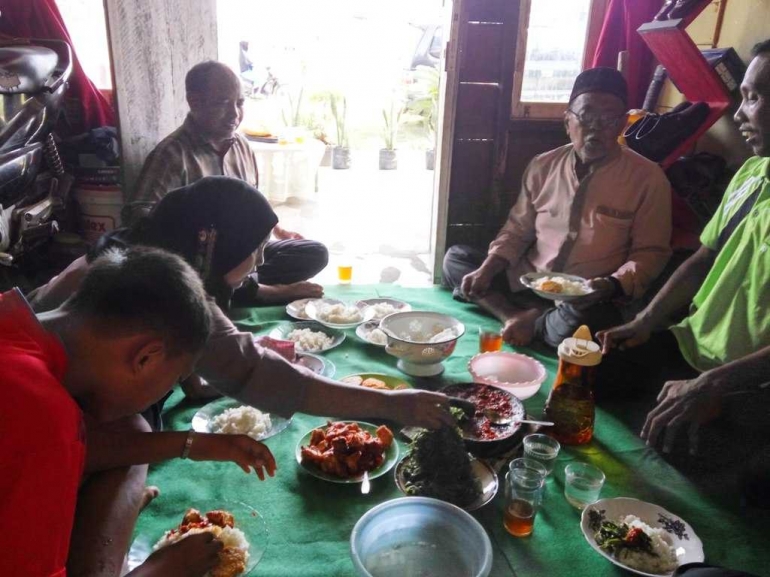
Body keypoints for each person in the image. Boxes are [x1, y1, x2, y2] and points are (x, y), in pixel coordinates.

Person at [31, 176, 455, 433]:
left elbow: (215, 358)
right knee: (135, 441)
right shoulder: (161, 290)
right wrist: (392, 404)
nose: (261, 262)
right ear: (211, 243)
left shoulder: (143, 248)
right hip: (45, 416)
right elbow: (251, 370)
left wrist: (198, 376)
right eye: (255, 249)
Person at [0, 246, 276, 577]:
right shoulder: (42, 413)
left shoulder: (13, 321)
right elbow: (40, 441)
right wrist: (161, 569)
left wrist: (193, 444)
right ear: (146, 357)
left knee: (130, 428)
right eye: (175, 378)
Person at [597, 41, 770, 465]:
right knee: (589, 375)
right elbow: (703, 259)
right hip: (691, 346)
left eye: (753, 98)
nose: (739, 113)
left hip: (748, 381)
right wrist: (645, 321)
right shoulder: (751, 172)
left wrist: (712, 385)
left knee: (673, 451)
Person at [443, 67, 672, 348]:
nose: (596, 128)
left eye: (609, 119)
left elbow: (651, 253)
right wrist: (489, 268)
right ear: (567, 122)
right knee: (457, 259)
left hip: (585, 297)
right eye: (586, 116)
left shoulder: (648, 178)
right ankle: (518, 317)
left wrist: (611, 284)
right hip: (527, 280)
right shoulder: (543, 165)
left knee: (581, 323)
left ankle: (523, 318)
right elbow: (518, 229)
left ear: (623, 123)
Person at [124, 60, 326, 306]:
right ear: (195, 102)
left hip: (244, 255)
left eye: (240, 103)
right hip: (201, 259)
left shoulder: (242, 147)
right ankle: (252, 290)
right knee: (181, 270)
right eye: (223, 103)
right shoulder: (171, 155)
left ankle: (239, 288)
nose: (234, 114)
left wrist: (276, 230)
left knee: (314, 253)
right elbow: (140, 225)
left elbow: (254, 206)